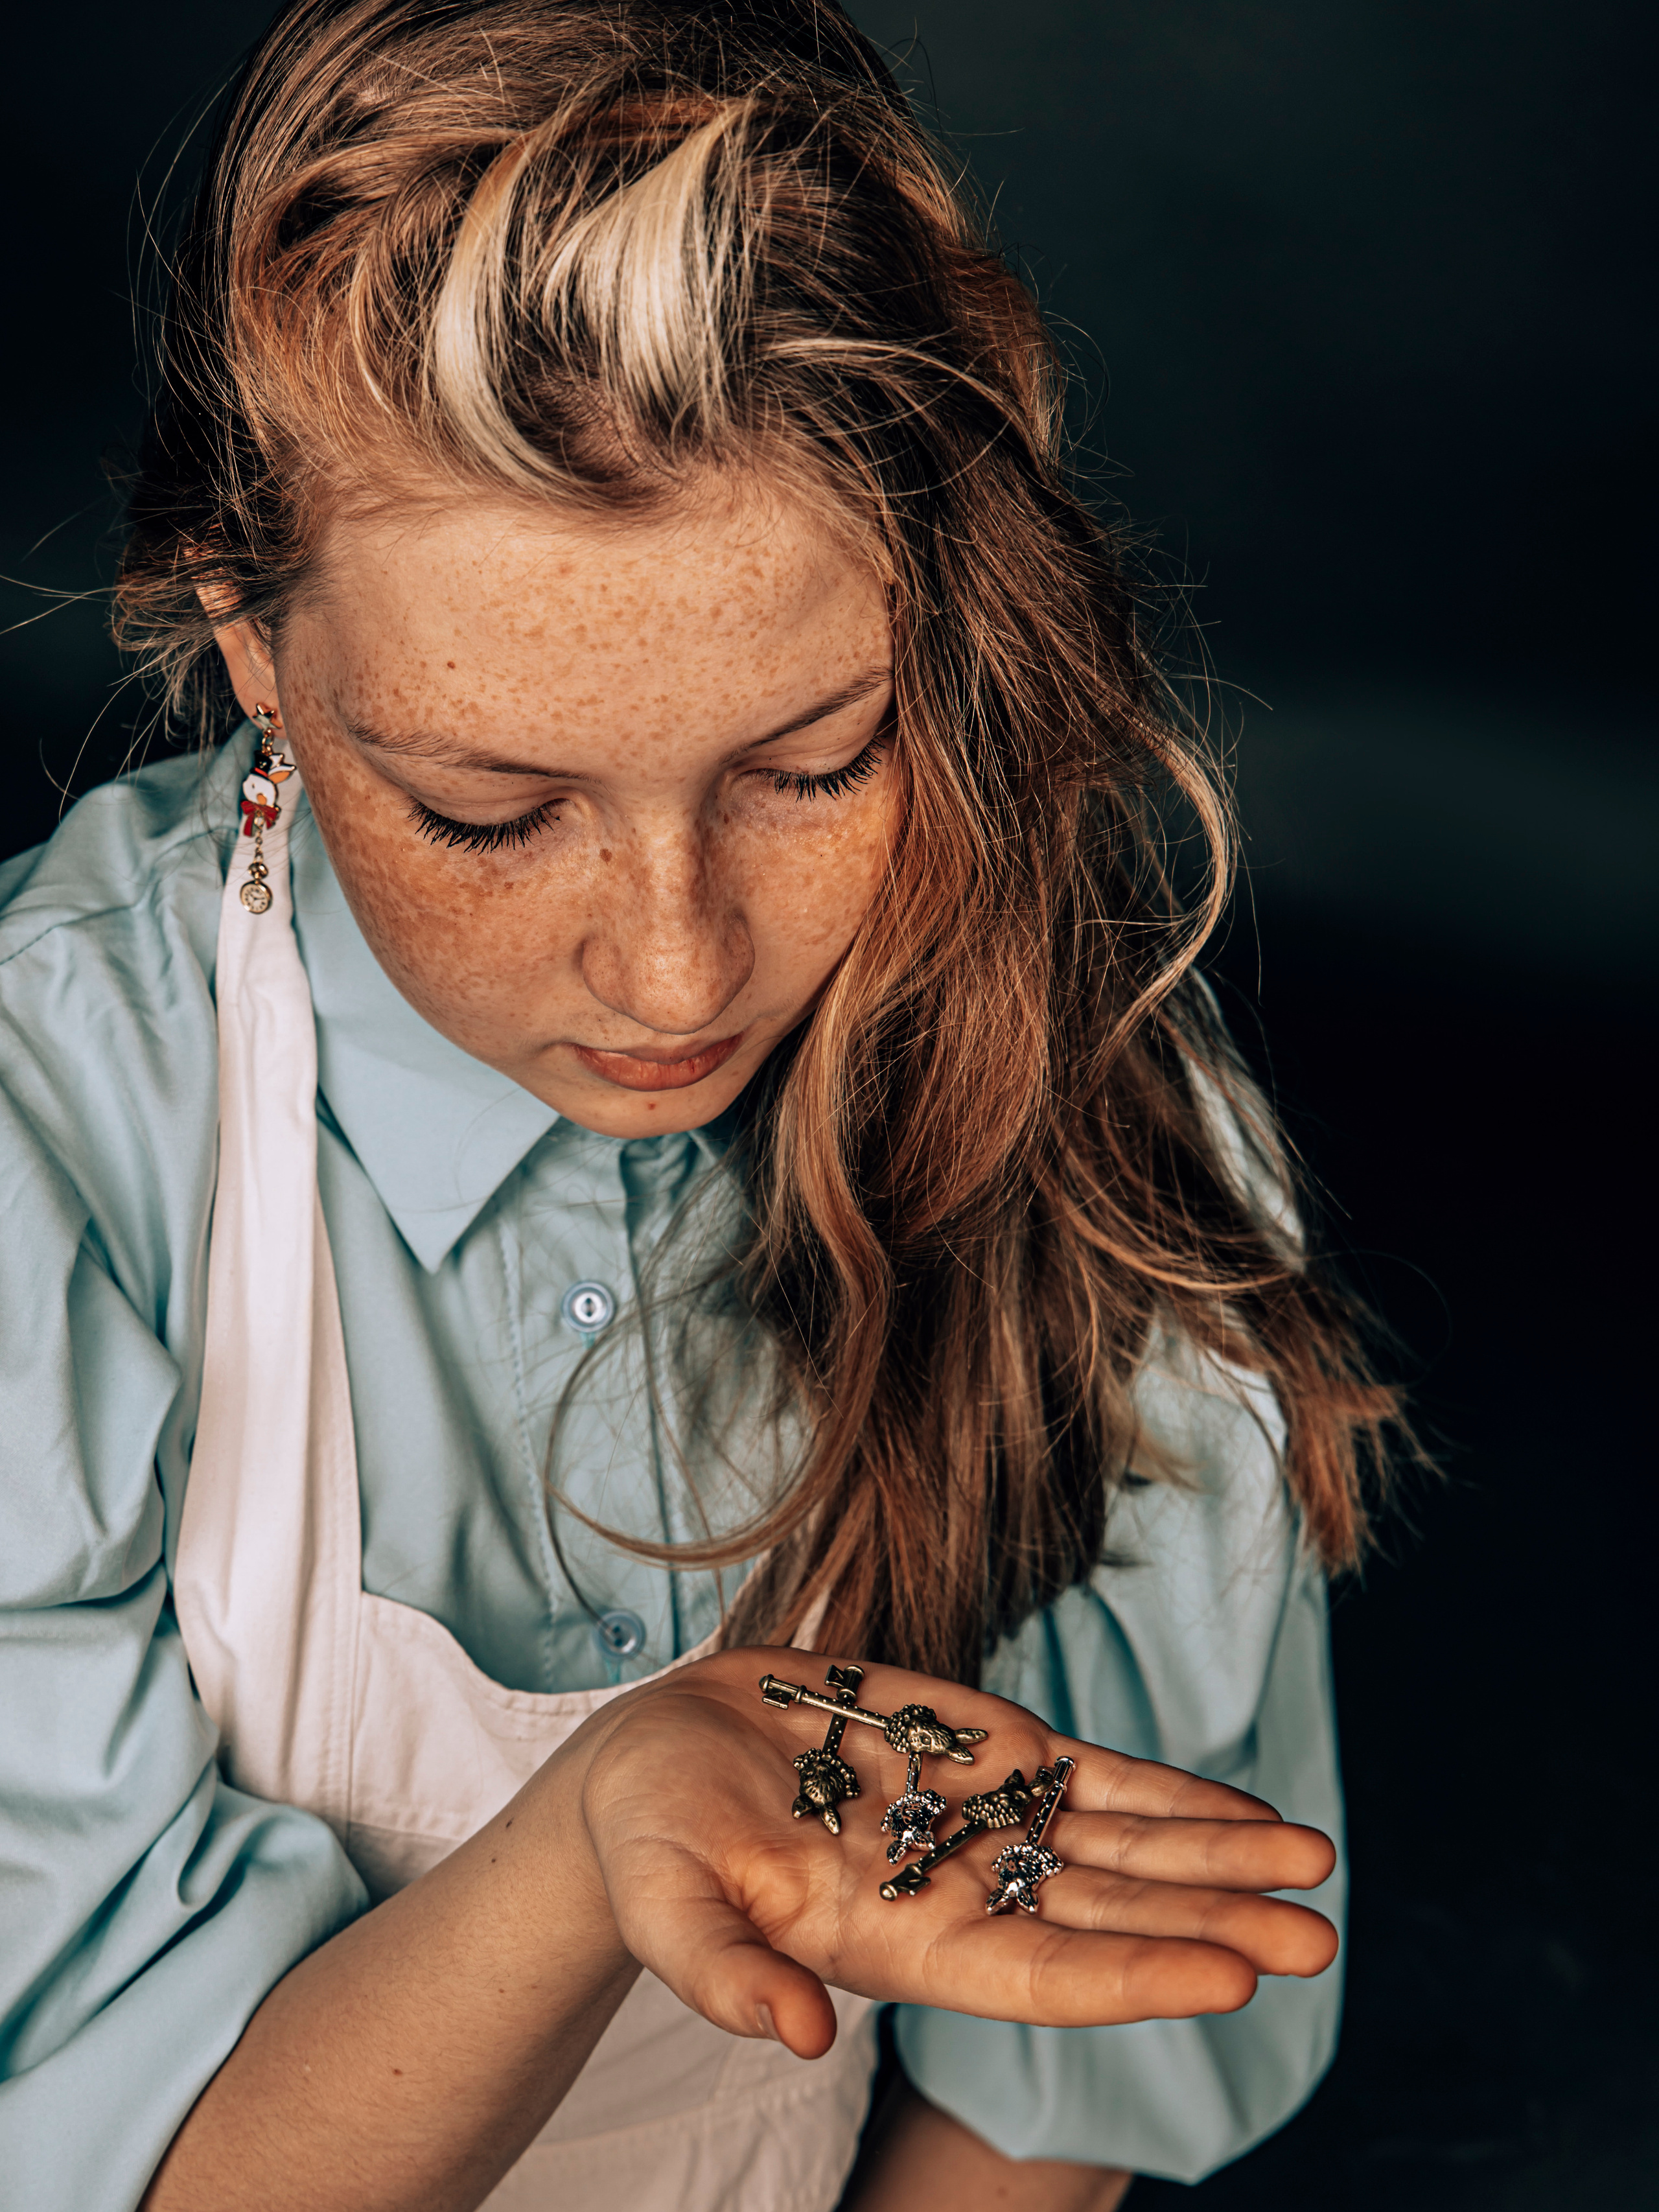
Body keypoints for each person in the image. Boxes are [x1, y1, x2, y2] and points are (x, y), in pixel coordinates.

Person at [0, 4, 1398, 2207]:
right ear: (248, 643)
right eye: (488, 810)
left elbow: (1057, 2092)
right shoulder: (44, 1145)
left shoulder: (1092, 1112)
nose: (676, 969)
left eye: (811, 763)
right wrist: (593, 1845)